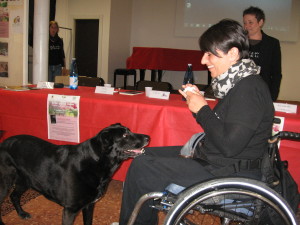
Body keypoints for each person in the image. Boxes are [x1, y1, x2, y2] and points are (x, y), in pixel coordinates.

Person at [114, 19, 274, 225]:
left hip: (229, 171)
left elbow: (229, 146)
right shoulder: (239, 84)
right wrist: (197, 105)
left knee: (143, 167)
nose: (203, 60)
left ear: (233, 54)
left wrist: (201, 109)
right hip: (217, 161)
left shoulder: (249, 89)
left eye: (209, 53)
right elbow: (224, 130)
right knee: (144, 154)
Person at [243, 6, 282, 101]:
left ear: (260, 22)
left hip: (263, 92)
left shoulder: (272, 43)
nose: (247, 26)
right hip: (242, 91)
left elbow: (276, 73)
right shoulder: (239, 42)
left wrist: (273, 96)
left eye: (250, 22)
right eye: (245, 23)